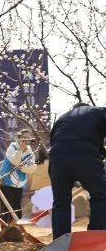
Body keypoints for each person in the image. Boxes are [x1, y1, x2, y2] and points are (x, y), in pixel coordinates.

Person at [47, 102, 106, 239]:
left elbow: (55, 141)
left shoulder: (62, 118)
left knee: (61, 201)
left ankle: (60, 243)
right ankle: (95, 239)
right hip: (85, 155)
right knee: (101, 195)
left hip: (57, 158)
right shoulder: (96, 111)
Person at [0, 130, 38, 225]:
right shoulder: (12, 148)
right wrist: (20, 150)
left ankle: (16, 229)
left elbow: (32, 167)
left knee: (17, 207)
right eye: (25, 138)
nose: (26, 141)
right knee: (6, 207)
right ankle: (4, 229)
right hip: (6, 182)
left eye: (29, 139)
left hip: (19, 184)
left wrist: (23, 167)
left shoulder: (29, 151)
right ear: (19, 138)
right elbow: (15, 162)